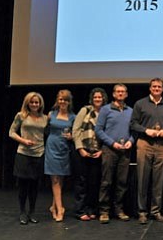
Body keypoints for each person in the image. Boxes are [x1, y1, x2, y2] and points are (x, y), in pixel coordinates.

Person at [130, 78, 163, 224]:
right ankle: (142, 212)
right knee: (142, 179)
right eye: (154, 86)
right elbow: (133, 124)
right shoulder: (140, 104)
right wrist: (146, 130)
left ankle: (156, 211)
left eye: (159, 87)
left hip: (162, 146)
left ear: (162, 89)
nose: (156, 88)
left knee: (158, 181)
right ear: (150, 88)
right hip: (145, 144)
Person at [95, 84, 134, 224]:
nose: (120, 94)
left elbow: (134, 131)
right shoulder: (106, 110)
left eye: (123, 92)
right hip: (109, 150)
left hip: (125, 151)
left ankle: (119, 210)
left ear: (126, 94)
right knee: (106, 181)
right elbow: (98, 130)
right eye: (118, 92)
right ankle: (104, 211)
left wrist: (131, 141)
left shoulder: (131, 111)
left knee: (122, 183)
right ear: (113, 94)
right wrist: (112, 143)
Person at [9, 92, 48, 225]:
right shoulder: (21, 116)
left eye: (37, 102)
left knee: (34, 187)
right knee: (23, 186)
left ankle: (32, 212)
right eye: (32, 102)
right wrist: (23, 140)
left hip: (38, 154)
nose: (34, 104)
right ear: (27, 103)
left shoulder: (45, 118)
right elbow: (11, 132)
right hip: (23, 154)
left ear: (40, 104)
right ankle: (22, 212)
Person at [72, 88, 108, 221]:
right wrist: (80, 149)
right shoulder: (85, 110)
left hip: (98, 152)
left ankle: (92, 209)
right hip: (83, 152)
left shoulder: (106, 112)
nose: (98, 99)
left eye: (100, 97)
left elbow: (108, 133)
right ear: (92, 99)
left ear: (103, 99)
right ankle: (80, 210)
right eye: (95, 97)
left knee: (94, 183)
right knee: (81, 182)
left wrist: (102, 150)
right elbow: (75, 130)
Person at [44, 89, 76, 222]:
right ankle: (60, 209)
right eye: (60, 99)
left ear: (69, 102)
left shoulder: (73, 117)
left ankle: (53, 206)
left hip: (64, 149)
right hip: (52, 147)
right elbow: (45, 130)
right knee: (55, 179)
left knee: (60, 179)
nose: (62, 102)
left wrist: (71, 137)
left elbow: (76, 134)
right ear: (58, 100)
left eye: (65, 100)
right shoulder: (51, 114)